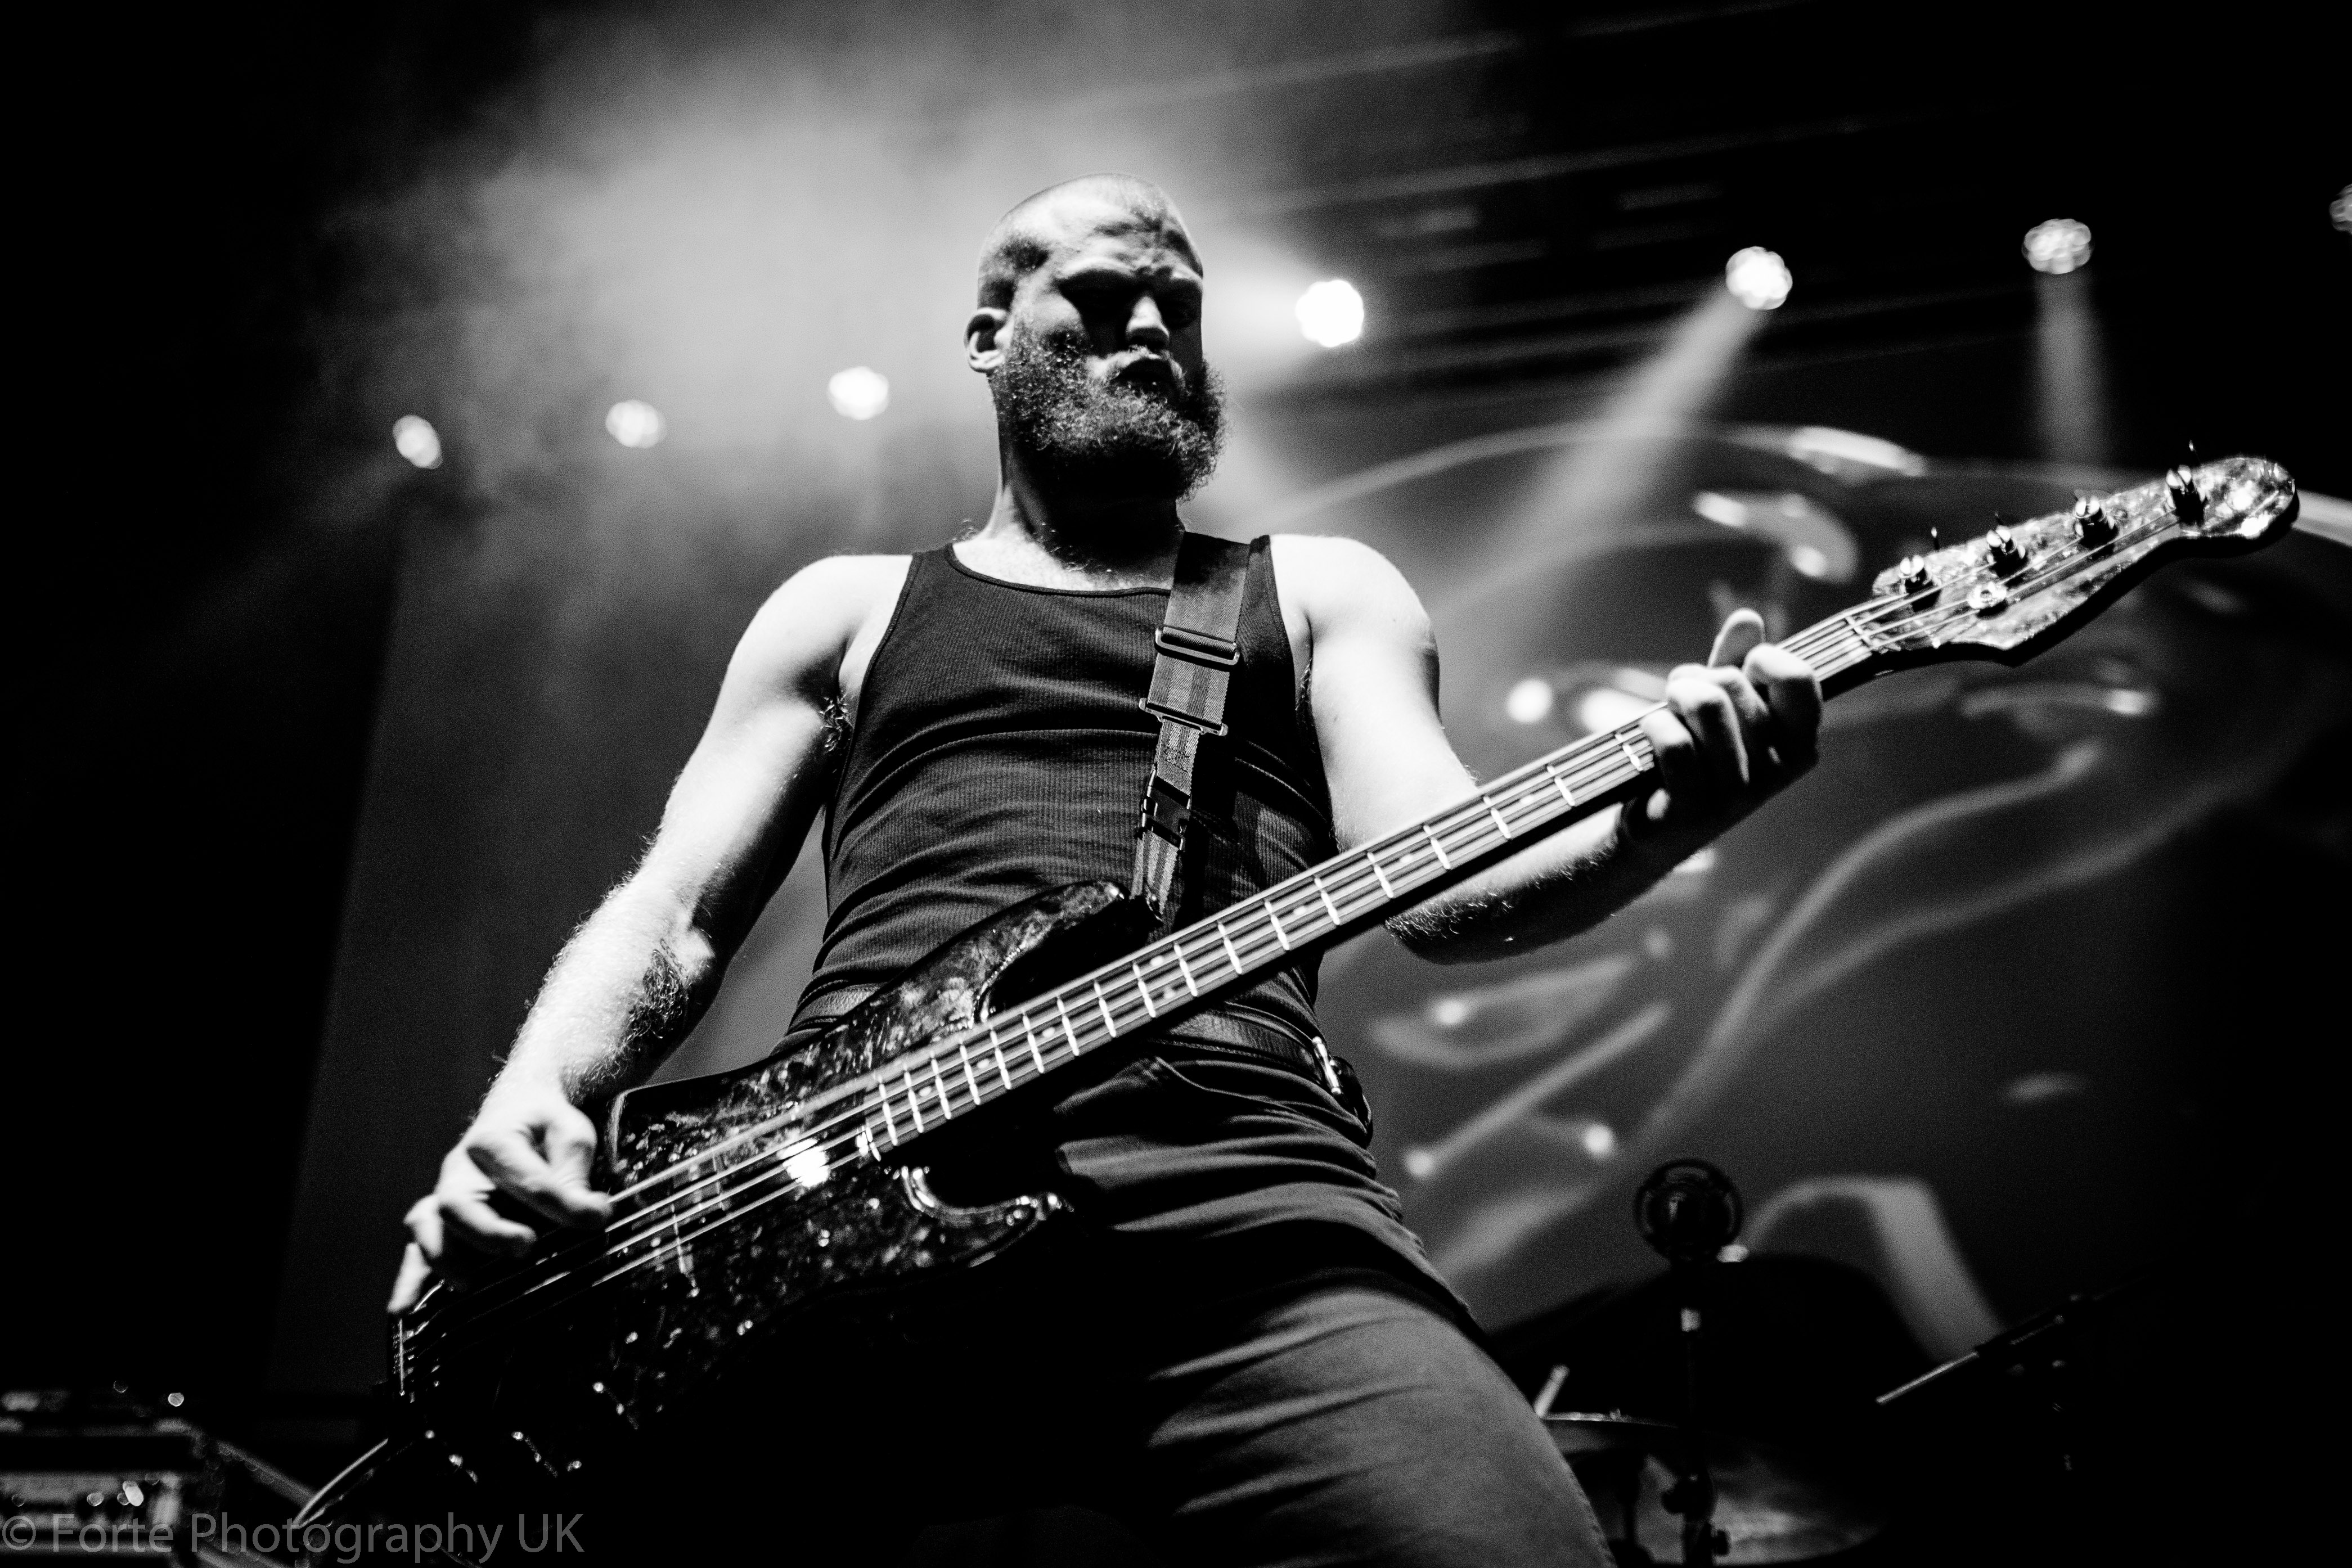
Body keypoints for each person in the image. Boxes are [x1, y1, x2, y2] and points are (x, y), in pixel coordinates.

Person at [388, 173, 1822, 1565]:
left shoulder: (1320, 592)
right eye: (1099, 292)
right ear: (988, 337)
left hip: (1235, 1181)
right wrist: (527, 1104)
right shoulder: (849, 609)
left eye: (1178, 305)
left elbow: (1447, 886)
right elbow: (674, 916)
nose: (1150, 325)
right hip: (818, 1205)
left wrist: (1660, 819)